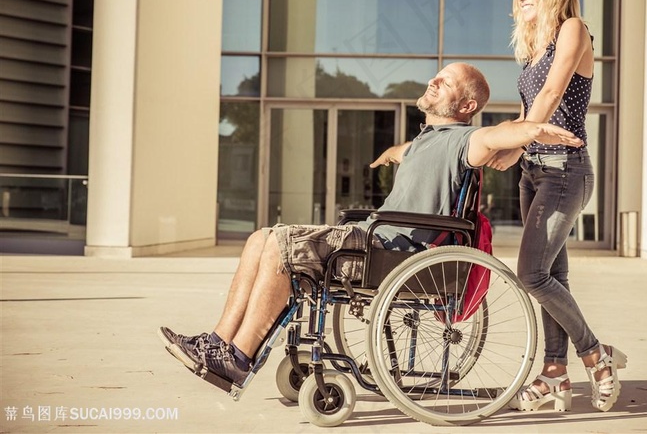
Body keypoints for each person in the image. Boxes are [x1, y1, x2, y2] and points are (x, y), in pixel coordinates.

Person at [159, 62, 584, 391]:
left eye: (446, 82)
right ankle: (217, 342)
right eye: (435, 77)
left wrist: (537, 130)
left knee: (280, 245)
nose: (434, 83)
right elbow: (407, 151)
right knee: (260, 237)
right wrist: (389, 153)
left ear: (467, 106)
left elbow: (499, 136)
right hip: (377, 242)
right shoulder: (425, 141)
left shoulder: (463, 139)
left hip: (392, 253)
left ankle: (238, 356)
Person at [486, 0, 627, 412]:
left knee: (531, 274)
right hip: (535, 171)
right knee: (552, 275)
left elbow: (549, 96)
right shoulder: (534, 45)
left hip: (565, 170)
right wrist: (515, 148)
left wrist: (515, 139)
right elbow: (534, 106)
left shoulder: (574, 28)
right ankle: (555, 372)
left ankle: (595, 354)